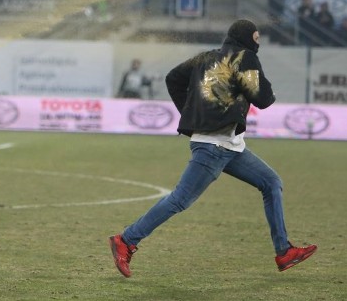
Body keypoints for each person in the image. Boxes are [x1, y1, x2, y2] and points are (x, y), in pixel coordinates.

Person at [109, 20, 317, 277]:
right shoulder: (245, 58)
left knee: (271, 183)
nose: (258, 42)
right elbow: (263, 99)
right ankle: (127, 239)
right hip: (214, 146)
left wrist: (191, 113)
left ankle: (284, 251)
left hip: (229, 145)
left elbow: (173, 78)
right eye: (256, 37)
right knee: (180, 200)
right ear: (247, 39)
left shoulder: (205, 57)